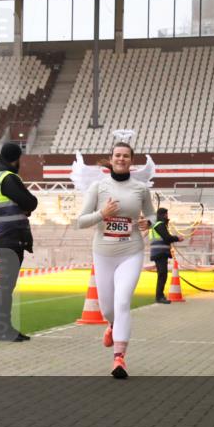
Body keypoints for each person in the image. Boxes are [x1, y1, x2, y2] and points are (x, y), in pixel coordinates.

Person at [76, 142, 154, 379]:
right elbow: (80, 221)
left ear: (132, 160)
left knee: (122, 303)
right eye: (117, 155)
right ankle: (112, 326)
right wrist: (102, 214)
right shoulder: (98, 187)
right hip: (103, 254)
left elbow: (151, 214)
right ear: (111, 159)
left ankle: (119, 358)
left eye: (126, 156)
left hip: (131, 251)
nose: (121, 159)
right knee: (108, 308)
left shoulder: (140, 189)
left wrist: (148, 222)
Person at [0, 142, 39, 342]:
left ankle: (2, 328)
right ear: (17, 159)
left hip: (1, 235)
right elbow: (30, 202)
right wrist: (26, 207)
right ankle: (2, 329)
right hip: (11, 237)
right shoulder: (7, 177)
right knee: (6, 286)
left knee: (5, 285)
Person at [148, 207, 184, 304]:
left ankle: (159, 296)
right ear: (164, 215)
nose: (167, 216)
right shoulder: (160, 225)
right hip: (160, 253)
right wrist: (177, 238)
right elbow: (167, 238)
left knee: (162, 274)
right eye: (166, 214)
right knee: (162, 274)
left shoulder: (157, 225)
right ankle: (159, 297)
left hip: (159, 252)